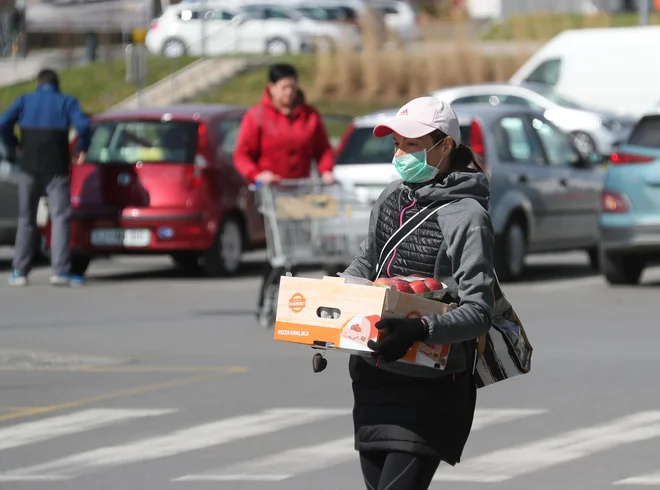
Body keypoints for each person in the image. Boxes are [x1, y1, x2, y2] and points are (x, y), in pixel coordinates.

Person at [342, 96, 496, 490]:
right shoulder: (391, 198)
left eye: (411, 144)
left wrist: (420, 329)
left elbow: (479, 311)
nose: (400, 153)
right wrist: (334, 302)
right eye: (397, 144)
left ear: (444, 146)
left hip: (431, 385)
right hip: (375, 376)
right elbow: (365, 265)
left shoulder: (467, 216)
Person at [232, 62, 336, 321]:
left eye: (293, 86)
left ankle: (292, 306)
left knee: (298, 252)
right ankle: (266, 300)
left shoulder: (309, 115)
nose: (289, 92)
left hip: (300, 193)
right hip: (272, 195)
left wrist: (326, 170)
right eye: (284, 87)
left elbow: (323, 149)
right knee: (279, 252)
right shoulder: (257, 117)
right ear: (272, 88)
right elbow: (241, 154)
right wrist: (258, 175)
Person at [0, 68, 91, 287]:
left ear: (38, 84)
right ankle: (59, 270)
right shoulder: (66, 102)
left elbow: (3, 123)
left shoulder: (24, 100)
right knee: (59, 217)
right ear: (57, 84)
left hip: (28, 165)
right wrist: (80, 147)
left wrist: (13, 146)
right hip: (57, 167)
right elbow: (84, 125)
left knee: (26, 218)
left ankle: (19, 271)